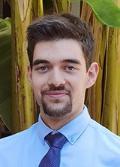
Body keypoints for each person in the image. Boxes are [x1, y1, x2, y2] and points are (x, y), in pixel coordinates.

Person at [0, 13, 120, 167]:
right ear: (30, 75)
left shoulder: (115, 157)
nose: (56, 81)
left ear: (90, 75)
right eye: (43, 68)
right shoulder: (4, 155)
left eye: (69, 68)